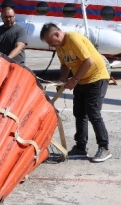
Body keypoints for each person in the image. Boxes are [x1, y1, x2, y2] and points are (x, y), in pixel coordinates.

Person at [40, 22, 112, 162]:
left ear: (57, 34)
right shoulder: (60, 47)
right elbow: (64, 64)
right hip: (82, 80)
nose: (51, 45)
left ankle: (104, 147)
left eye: (51, 42)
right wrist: (63, 79)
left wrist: (74, 79)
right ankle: (80, 147)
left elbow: (88, 61)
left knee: (93, 113)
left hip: (96, 77)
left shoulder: (73, 38)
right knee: (79, 113)